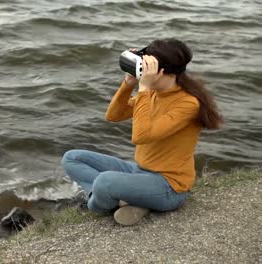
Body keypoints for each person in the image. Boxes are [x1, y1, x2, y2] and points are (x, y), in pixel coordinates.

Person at [61, 38, 223, 225]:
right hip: (140, 171)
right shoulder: (154, 92)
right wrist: (128, 83)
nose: (143, 71)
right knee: (72, 158)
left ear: (161, 71)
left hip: (169, 186)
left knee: (105, 182)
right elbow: (113, 115)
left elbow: (140, 136)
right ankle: (130, 198)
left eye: (146, 66)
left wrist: (144, 88)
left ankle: (99, 203)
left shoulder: (187, 104)